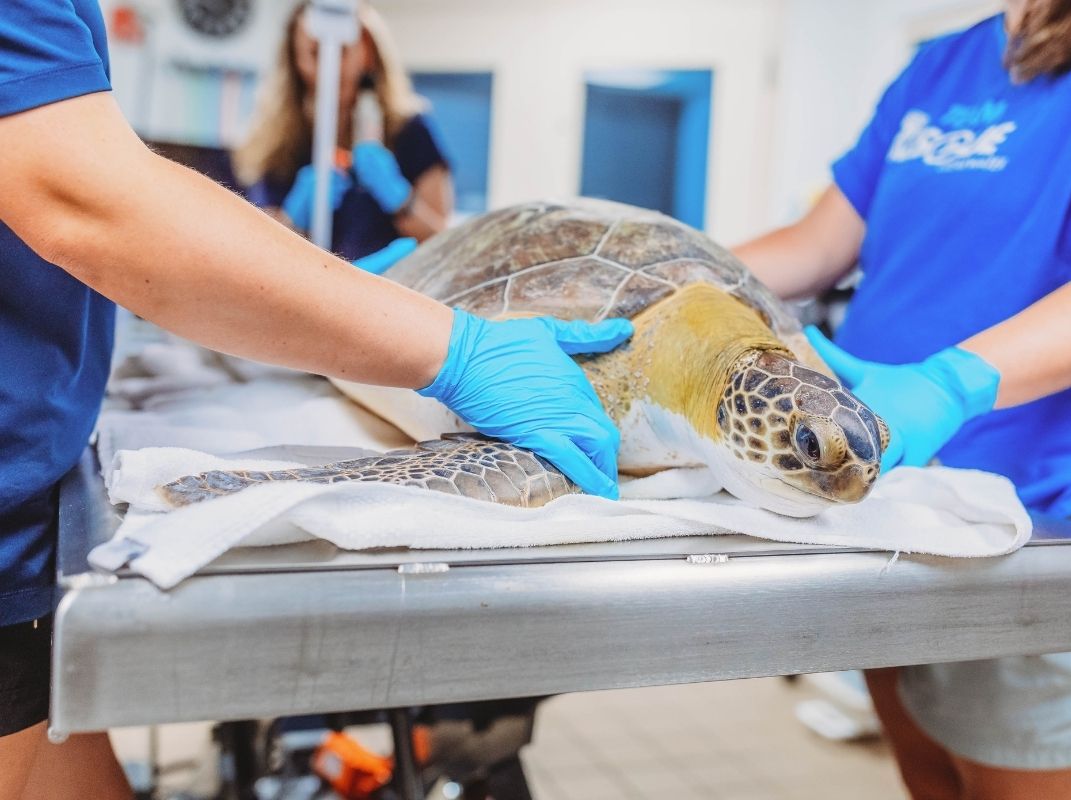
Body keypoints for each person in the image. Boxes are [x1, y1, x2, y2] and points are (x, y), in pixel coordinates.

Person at [0, 2, 631, 798]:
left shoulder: (408, 128)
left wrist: (422, 289)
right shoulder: (277, 131)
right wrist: (454, 350)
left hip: (26, 513)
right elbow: (90, 200)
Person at [735, 0, 1071, 796]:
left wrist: (948, 382)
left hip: (1064, 512)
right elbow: (815, 246)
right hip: (902, 488)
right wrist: (642, 281)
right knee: (928, 775)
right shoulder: (940, 64)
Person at [235, 2, 454, 256]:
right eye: (316, 53)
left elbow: (447, 245)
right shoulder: (277, 142)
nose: (331, 66)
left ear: (367, 52)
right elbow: (257, 256)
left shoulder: (410, 130)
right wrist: (291, 220)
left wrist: (400, 200)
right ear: (296, 60)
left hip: (391, 286)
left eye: (343, 51)